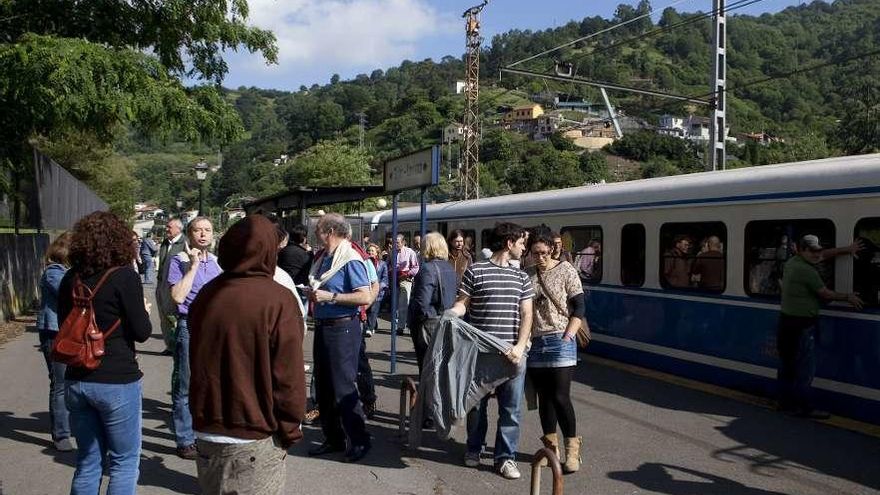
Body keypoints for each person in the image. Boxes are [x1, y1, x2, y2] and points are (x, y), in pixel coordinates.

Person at [188, 215, 306, 495]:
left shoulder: (207, 294)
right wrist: (290, 430)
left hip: (207, 429)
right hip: (255, 432)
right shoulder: (278, 299)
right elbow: (288, 376)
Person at [58, 211, 152, 494]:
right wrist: (144, 311)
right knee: (124, 462)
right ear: (119, 242)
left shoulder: (70, 279)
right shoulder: (124, 277)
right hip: (116, 379)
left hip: (76, 376)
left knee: (88, 461)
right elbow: (142, 332)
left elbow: (67, 326)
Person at [446, 222, 534, 480]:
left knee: (511, 409)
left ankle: (505, 458)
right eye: (520, 243)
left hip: (513, 354)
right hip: (481, 352)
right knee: (476, 405)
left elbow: (527, 314)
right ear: (509, 243)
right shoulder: (476, 271)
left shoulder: (522, 277)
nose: (523, 248)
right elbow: (463, 304)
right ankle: (473, 448)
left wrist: (520, 346)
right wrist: (451, 314)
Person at [306, 213, 374, 463]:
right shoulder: (325, 258)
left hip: (343, 327)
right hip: (325, 325)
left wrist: (330, 298)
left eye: (319, 231)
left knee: (343, 386)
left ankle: (359, 440)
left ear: (330, 231)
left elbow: (364, 296)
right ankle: (333, 438)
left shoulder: (350, 259)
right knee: (324, 386)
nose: (316, 235)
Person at [777, 234, 862, 418]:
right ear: (802, 250)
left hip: (787, 323)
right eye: (812, 251)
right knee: (805, 369)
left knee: (788, 366)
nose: (817, 254)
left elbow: (825, 255)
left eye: (817, 250)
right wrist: (848, 297)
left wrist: (846, 249)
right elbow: (825, 294)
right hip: (801, 326)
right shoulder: (806, 271)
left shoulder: (793, 262)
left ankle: (785, 403)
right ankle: (805, 407)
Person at [525, 233, 585, 474]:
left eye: (543, 252)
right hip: (537, 342)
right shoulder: (528, 275)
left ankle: (573, 450)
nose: (540, 257)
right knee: (544, 399)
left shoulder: (567, 270)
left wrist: (568, 335)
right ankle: (552, 450)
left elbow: (579, 306)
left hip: (561, 339)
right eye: (535, 253)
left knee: (561, 396)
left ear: (551, 249)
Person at [167, 217, 222, 459]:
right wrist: (193, 266)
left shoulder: (218, 264)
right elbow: (178, 297)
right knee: (185, 385)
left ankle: (206, 434)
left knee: (211, 383)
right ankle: (185, 439)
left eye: (207, 230)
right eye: (197, 230)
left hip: (214, 328)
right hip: (189, 325)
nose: (203, 234)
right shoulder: (178, 260)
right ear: (189, 234)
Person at [36, 231, 74, 452]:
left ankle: (69, 425)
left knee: (70, 382)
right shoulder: (54, 272)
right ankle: (61, 434)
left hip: (66, 332)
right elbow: (68, 294)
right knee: (60, 383)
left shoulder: (66, 272)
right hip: (54, 332)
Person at [408, 232, 457, 375]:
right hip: (447, 321)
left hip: (429, 323)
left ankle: (427, 396)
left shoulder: (428, 268)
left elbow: (422, 302)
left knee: (427, 368)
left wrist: (414, 319)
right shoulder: (449, 268)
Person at [156, 218, 186, 355]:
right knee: (163, 317)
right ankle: (170, 346)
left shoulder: (185, 243)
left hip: (174, 286)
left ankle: (178, 347)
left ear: (178, 229)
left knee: (172, 316)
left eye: (169, 227)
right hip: (161, 284)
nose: (166, 229)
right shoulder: (165, 243)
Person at [394, 234, 420, 333]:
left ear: (403, 242)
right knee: (395, 304)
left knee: (403, 304)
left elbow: (415, 267)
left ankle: (401, 327)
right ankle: (397, 324)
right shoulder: (393, 252)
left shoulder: (410, 252)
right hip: (395, 279)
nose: (395, 244)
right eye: (394, 242)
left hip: (405, 280)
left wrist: (407, 274)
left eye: (398, 242)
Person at [278, 223, 313, 289]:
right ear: (304, 238)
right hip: (297, 287)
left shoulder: (282, 250)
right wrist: (310, 253)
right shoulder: (304, 254)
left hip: (281, 284)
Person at [364, 243, 388, 337]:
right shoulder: (364, 262)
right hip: (366, 290)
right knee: (367, 310)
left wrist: (378, 287)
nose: (370, 253)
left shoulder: (382, 264)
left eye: (372, 251)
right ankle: (373, 324)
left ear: (377, 253)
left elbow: (385, 279)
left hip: (378, 292)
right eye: (369, 251)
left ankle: (369, 328)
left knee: (373, 310)